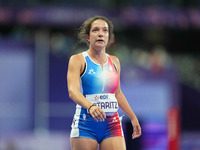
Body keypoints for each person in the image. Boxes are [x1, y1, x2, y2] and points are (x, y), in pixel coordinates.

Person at [67, 15, 141, 150]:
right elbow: (73, 91)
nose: (100, 33)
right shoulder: (78, 60)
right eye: (95, 30)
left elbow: (117, 93)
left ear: (109, 37)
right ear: (88, 37)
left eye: (105, 30)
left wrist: (133, 117)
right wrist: (91, 106)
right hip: (86, 124)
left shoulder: (115, 61)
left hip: (112, 124)